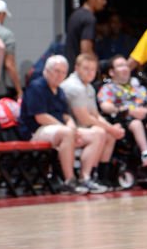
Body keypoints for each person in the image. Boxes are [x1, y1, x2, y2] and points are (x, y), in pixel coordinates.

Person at [18, 55, 106, 194]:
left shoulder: (59, 91)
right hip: (35, 131)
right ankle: (69, 181)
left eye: (63, 72)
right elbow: (41, 117)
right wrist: (68, 129)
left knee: (98, 133)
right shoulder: (37, 86)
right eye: (56, 71)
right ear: (46, 70)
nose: (60, 75)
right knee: (67, 133)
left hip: (58, 129)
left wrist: (72, 127)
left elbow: (65, 115)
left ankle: (85, 178)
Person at [61, 52, 124, 188]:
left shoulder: (89, 87)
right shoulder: (74, 87)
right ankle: (85, 177)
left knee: (109, 134)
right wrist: (110, 128)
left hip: (82, 127)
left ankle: (100, 176)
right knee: (99, 133)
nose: (90, 73)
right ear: (77, 68)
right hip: (68, 128)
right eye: (86, 69)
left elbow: (95, 115)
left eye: (93, 70)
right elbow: (84, 118)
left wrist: (112, 129)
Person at [98, 55, 147, 165]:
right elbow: (105, 106)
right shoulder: (108, 88)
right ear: (111, 72)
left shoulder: (138, 86)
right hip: (125, 120)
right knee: (136, 124)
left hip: (144, 116)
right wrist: (128, 111)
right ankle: (146, 154)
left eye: (126, 65)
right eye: (120, 66)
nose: (125, 68)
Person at [65, 0, 107, 70]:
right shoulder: (89, 18)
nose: (104, 2)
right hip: (81, 71)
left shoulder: (75, 15)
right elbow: (86, 49)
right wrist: (96, 68)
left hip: (70, 66)